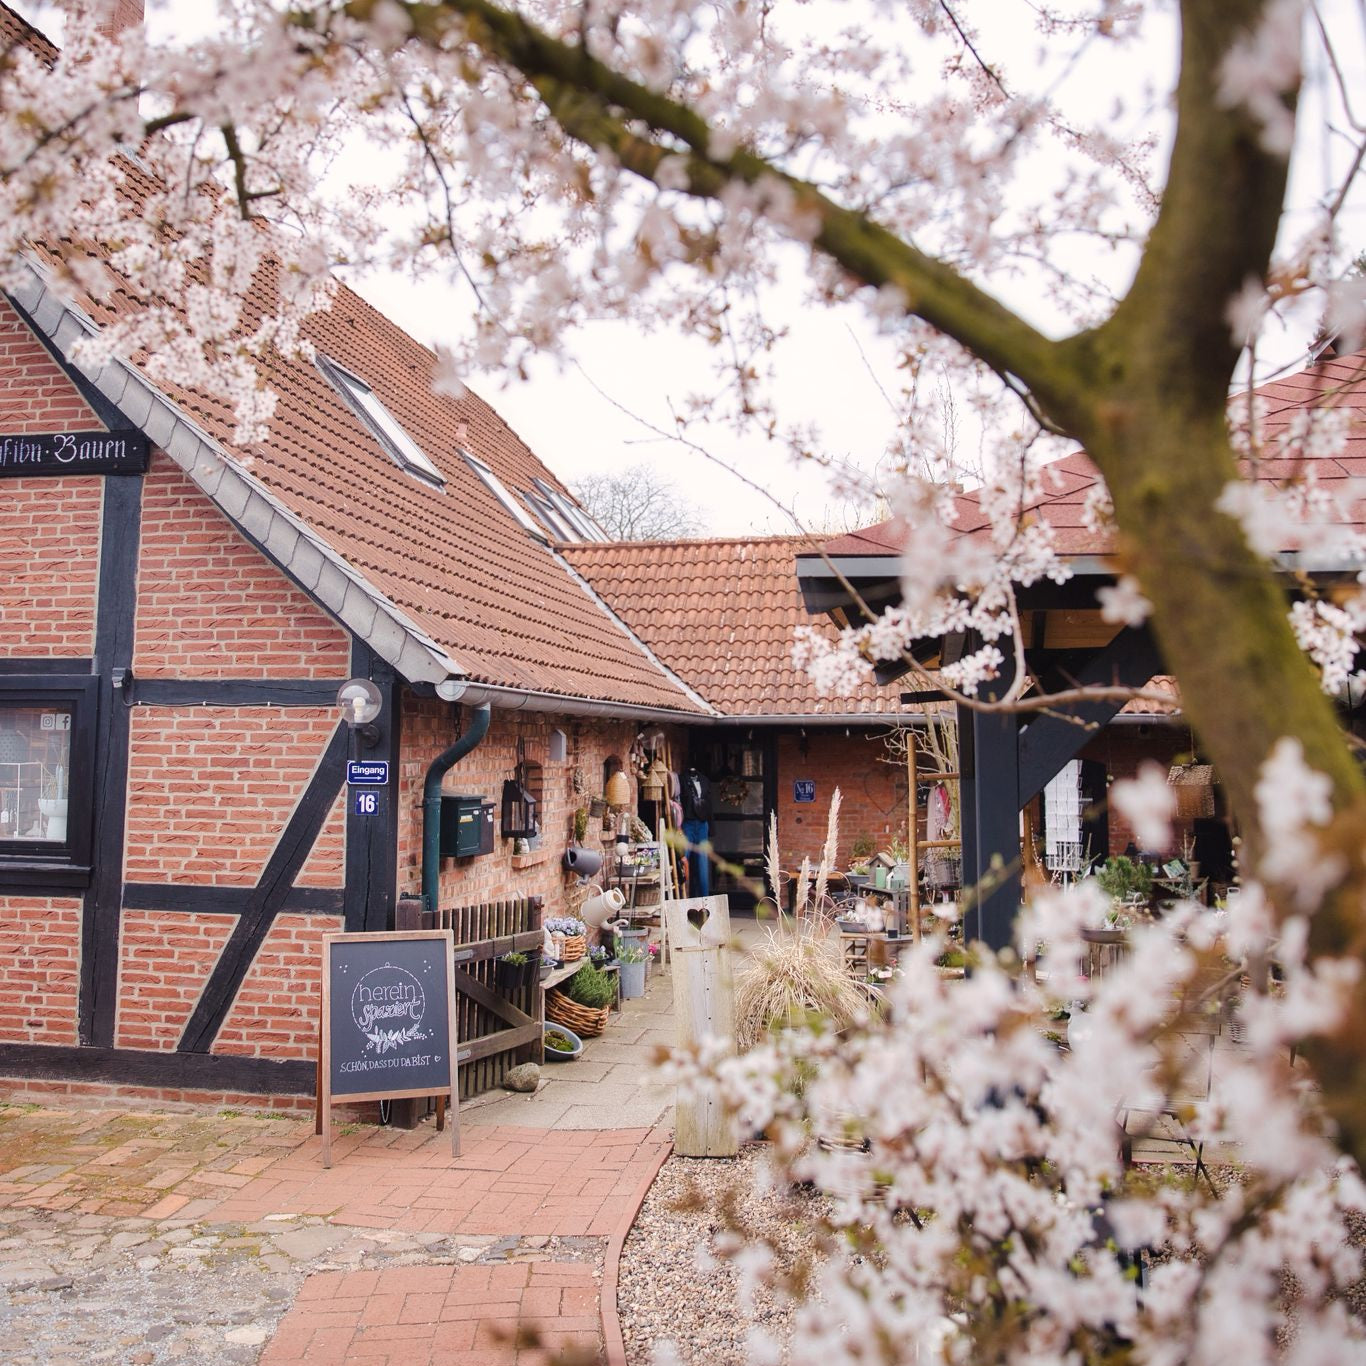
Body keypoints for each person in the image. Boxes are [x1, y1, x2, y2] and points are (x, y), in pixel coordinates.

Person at [681, 768, 713, 898]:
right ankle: (681, 897)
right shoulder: (682, 779)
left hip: (702, 824)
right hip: (687, 823)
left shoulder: (704, 780)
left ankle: (704, 900)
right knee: (683, 860)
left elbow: (709, 805)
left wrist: (712, 828)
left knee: (702, 864)